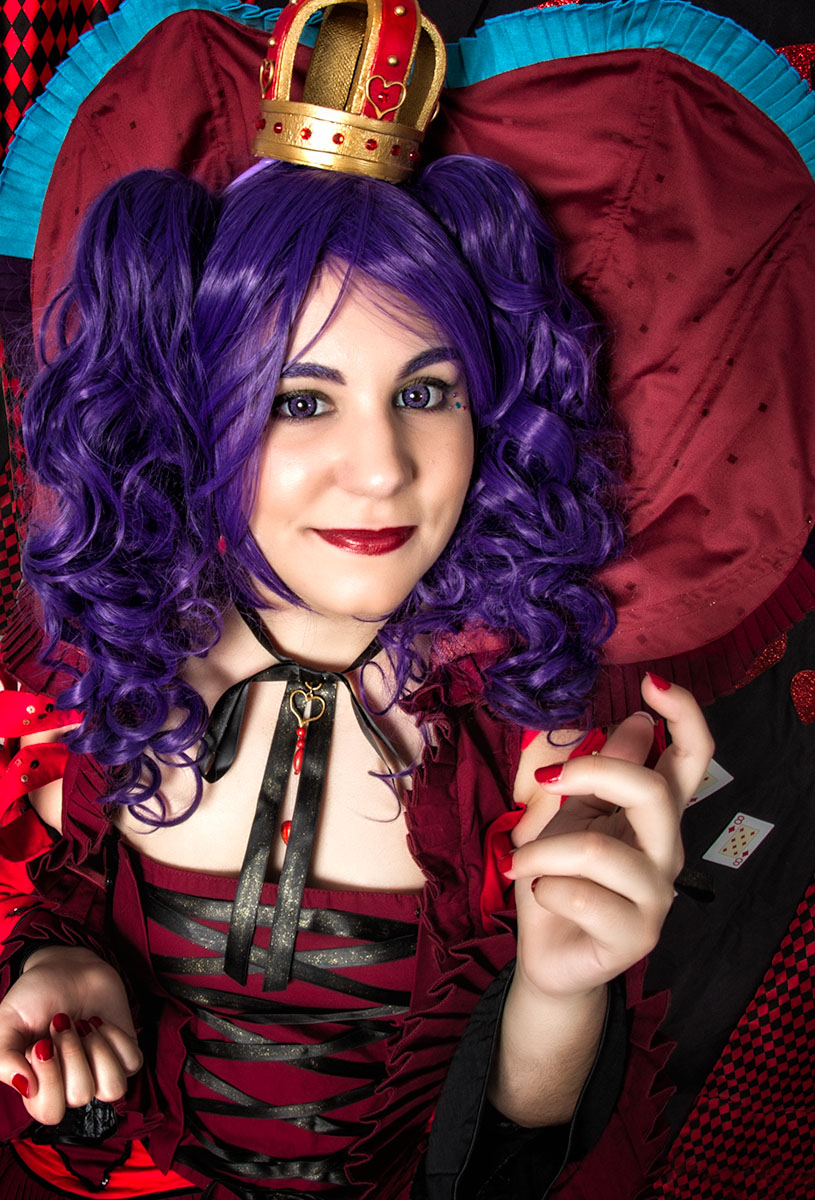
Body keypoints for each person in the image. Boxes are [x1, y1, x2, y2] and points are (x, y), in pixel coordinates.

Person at [0, 21, 716, 1189]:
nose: (382, 470)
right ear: (194, 413)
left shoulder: (540, 746)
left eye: (425, 391)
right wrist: (60, 976)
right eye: (299, 399)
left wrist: (555, 993)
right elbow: (66, 906)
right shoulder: (110, 674)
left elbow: (515, 1159)